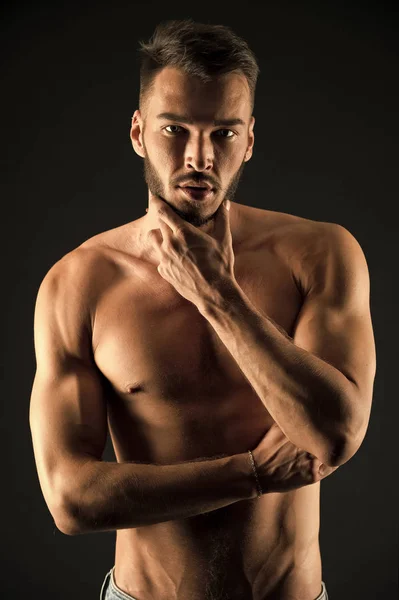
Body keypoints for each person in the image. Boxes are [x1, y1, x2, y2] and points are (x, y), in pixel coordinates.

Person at [29, 18, 376, 600]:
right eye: (175, 129)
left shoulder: (319, 254)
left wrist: (218, 296)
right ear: (138, 132)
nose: (200, 156)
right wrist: (255, 474)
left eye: (223, 133)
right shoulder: (79, 283)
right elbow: (71, 497)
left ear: (250, 139)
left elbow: (336, 434)